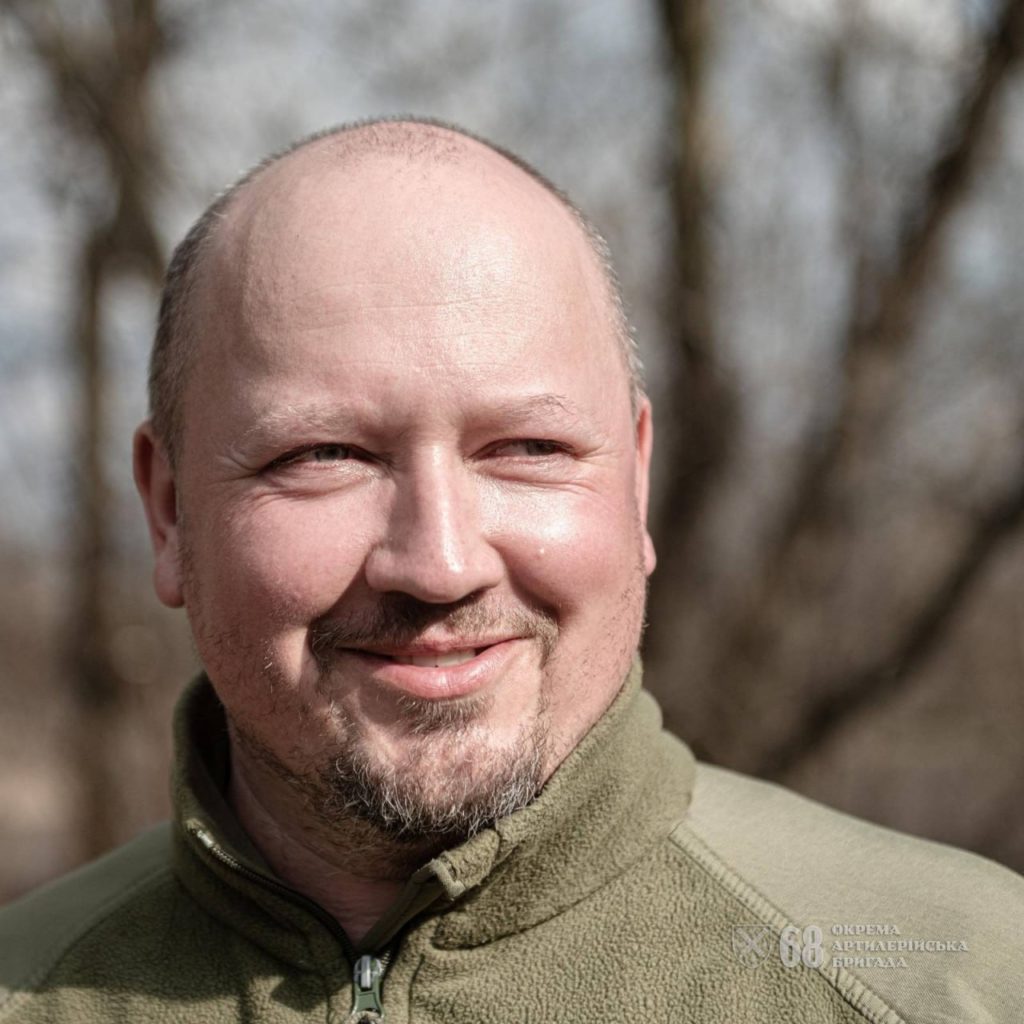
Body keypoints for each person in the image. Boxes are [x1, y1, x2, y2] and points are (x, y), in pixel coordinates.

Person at [1, 117, 1021, 1024]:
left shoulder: (961, 987)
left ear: (635, 481)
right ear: (170, 510)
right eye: (325, 455)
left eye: (527, 448)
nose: (439, 564)